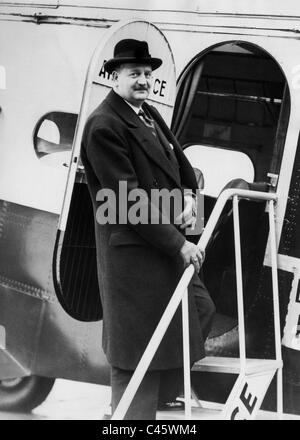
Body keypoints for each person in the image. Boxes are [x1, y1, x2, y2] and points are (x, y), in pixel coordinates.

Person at [80, 38, 215, 420]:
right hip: (135, 255)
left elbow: (182, 169)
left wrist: (190, 201)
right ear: (114, 76)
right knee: (135, 351)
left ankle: (166, 396)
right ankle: (128, 417)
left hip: (161, 245)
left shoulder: (148, 114)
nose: (142, 80)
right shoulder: (104, 125)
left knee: (200, 310)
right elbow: (126, 199)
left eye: (147, 74)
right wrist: (180, 244)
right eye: (134, 73)